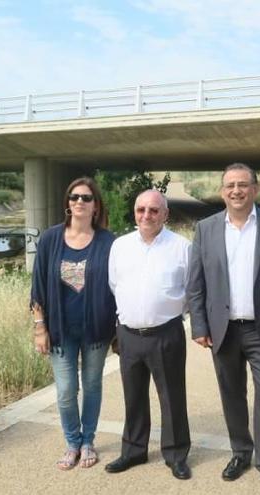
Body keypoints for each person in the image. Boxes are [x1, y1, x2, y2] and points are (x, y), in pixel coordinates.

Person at [187, 163, 260, 495]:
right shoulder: (205, 229)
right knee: (232, 395)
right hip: (222, 331)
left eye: (243, 184)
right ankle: (240, 453)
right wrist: (199, 325)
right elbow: (196, 284)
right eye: (230, 185)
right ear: (222, 191)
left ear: (255, 189)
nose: (236, 190)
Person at [104, 190, 192, 480]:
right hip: (129, 335)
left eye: (154, 210)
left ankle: (176, 454)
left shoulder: (181, 247)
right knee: (133, 396)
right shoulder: (120, 246)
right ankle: (133, 451)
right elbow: (115, 285)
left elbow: (191, 291)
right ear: (134, 212)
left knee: (172, 397)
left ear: (165, 214)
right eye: (141, 209)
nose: (146, 215)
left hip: (166, 333)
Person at [30, 176, 117, 470]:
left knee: (92, 385)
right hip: (60, 330)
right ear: (68, 203)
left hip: (96, 330)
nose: (79, 201)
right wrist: (40, 327)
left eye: (86, 198)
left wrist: (120, 329)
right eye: (74, 197)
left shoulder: (108, 242)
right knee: (66, 390)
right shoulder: (50, 239)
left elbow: (118, 286)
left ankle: (88, 441)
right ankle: (72, 442)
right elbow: (38, 286)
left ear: (96, 206)